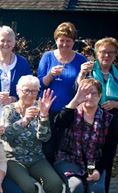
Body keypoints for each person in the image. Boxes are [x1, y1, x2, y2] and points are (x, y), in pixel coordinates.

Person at [0, 75, 63, 193]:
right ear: (18, 91)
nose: (30, 94)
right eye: (27, 90)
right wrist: (25, 120)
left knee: (55, 183)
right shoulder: (9, 110)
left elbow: (44, 138)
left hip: (36, 157)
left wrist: (43, 116)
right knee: (27, 187)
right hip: (13, 157)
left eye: (34, 91)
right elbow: (6, 136)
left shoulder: (40, 107)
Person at [54, 78, 114, 193]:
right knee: (77, 186)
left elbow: (109, 150)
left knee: (97, 189)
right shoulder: (72, 111)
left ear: (100, 96)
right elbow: (58, 122)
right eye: (85, 92)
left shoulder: (108, 119)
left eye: (93, 93)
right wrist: (76, 99)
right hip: (68, 159)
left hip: (94, 162)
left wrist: (97, 170)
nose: (89, 96)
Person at [78, 37, 118, 193]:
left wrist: (117, 103)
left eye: (110, 52)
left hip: (112, 120)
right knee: (86, 154)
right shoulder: (89, 70)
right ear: (97, 53)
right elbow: (78, 90)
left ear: (115, 55)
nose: (106, 55)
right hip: (89, 118)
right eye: (103, 52)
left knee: (107, 156)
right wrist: (81, 74)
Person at [37, 22, 87, 163]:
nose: (65, 44)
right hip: (48, 109)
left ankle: (63, 178)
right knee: (47, 147)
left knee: (64, 147)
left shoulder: (80, 59)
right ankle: (49, 180)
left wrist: (82, 73)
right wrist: (50, 75)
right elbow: (40, 84)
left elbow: (80, 87)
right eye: (61, 40)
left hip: (69, 110)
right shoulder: (47, 57)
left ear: (73, 41)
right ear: (56, 40)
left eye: (68, 41)